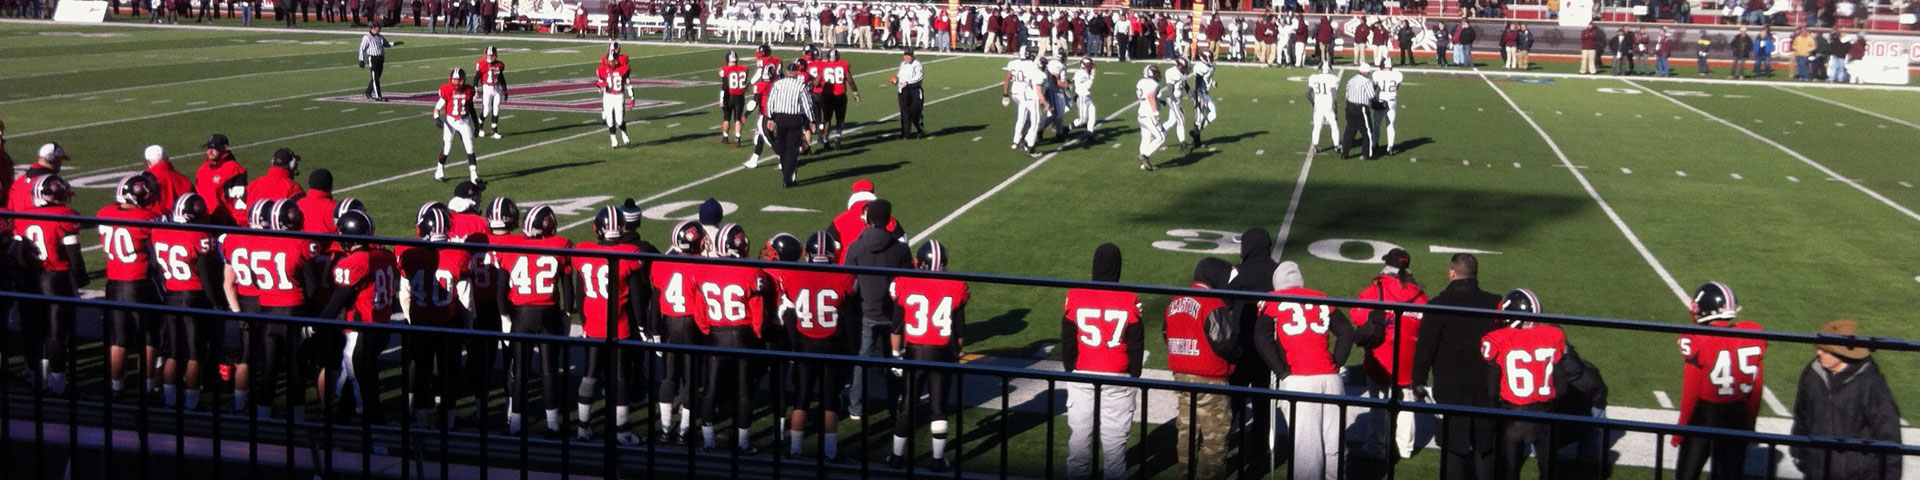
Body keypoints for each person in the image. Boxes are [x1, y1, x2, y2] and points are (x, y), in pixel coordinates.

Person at [1482, 288, 1604, 480]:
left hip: (1511, 414)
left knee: (1508, 473)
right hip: (1543, 415)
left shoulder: (1498, 339)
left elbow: (1490, 389)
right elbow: (1562, 386)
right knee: (1549, 472)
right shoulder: (1552, 335)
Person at [1254, 261, 1354, 480]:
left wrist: (1282, 371)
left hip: (1300, 378)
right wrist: (1334, 364)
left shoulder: (1273, 301)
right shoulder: (1322, 299)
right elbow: (1346, 332)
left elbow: (1261, 337)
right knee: (1333, 445)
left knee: (1307, 452)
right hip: (1330, 378)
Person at [1410, 253, 1503, 480]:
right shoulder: (1494, 302)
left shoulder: (1438, 305)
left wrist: (1418, 381)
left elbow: (1425, 349)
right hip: (1486, 385)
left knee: (1453, 449)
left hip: (1451, 387)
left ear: (1451, 272)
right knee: (1485, 446)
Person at [769, 231, 855, 461]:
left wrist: (795, 340)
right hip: (830, 345)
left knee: (801, 399)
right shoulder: (843, 276)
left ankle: (795, 449)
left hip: (804, 344)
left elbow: (788, 315)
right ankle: (829, 452)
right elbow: (849, 313)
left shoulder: (794, 275)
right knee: (829, 401)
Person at [1062, 243, 1143, 480]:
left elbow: (1067, 340)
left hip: (1083, 373)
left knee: (1079, 442)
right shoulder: (1130, 299)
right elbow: (1136, 343)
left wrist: (1072, 370)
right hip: (1118, 375)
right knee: (1114, 446)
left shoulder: (1075, 295)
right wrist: (1133, 375)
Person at [884, 240, 968, 471]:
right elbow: (960, 332)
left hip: (914, 351)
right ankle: (938, 460)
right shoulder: (956, 286)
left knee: (908, 406)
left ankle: (896, 456)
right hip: (941, 352)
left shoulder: (905, 282)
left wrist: (895, 355)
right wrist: (956, 353)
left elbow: (896, 327)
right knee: (939, 407)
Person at [1673, 282, 1767, 480]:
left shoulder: (1699, 338)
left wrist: (1679, 430)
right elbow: (1756, 389)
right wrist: (1749, 423)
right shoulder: (1752, 334)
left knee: (1686, 475)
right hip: (1737, 416)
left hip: (1704, 416)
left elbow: (1690, 392)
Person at [569, 206, 646, 443]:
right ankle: (621, 431)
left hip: (593, 324)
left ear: (597, 229)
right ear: (621, 228)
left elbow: (581, 295)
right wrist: (642, 326)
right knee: (621, 375)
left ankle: (583, 427)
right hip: (619, 325)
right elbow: (636, 297)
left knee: (590, 373)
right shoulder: (630, 253)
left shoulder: (583, 252)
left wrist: (584, 320)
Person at [494, 203, 573, 435]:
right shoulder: (561, 246)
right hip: (548, 315)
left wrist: (505, 316)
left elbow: (500, 291)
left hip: (520, 315)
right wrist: (567, 313)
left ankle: (515, 424)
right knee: (549, 370)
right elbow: (568, 288)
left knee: (520, 371)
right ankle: (553, 424)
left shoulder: (510, 246)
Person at [1790, 319, 1903, 480]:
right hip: (1816, 471)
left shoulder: (1871, 383)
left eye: (1826, 350)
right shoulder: (1812, 374)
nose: (1818, 353)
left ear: (1842, 352)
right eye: (1819, 348)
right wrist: (1798, 452)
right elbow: (1801, 415)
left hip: (1858, 475)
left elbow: (1889, 434)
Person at [691, 224, 769, 454]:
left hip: (716, 335)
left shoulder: (704, 271)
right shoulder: (752, 272)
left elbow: (699, 312)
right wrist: (755, 334)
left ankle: (708, 442)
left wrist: (708, 331)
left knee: (711, 389)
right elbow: (758, 313)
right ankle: (743, 444)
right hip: (743, 335)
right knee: (745, 391)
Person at [395, 202, 469, 428]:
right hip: (447, 322)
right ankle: (448, 423)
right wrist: (468, 328)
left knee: (421, 374)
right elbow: (466, 298)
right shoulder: (458, 255)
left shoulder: (408, 255)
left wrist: (412, 317)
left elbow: (404, 293)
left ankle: (419, 422)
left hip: (420, 323)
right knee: (448, 376)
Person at [1164, 257, 1237, 480]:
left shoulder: (1175, 301)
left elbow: (1166, 334)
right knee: (1215, 439)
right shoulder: (1213, 303)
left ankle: (1185, 474)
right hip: (1211, 378)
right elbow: (1225, 342)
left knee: (1186, 433)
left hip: (1182, 376)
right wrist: (1238, 357)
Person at [1349, 248, 1426, 459]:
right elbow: (1425, 326)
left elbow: (1357, 315)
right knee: (1407, 402)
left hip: (1381, 357)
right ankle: (1405, 447)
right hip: (1409, 359)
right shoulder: (1419, 295)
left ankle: (1377, 446)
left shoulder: (1376, 290)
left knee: (1379, 405)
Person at [247, 201, 318, 419]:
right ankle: (297, 418)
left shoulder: (258, 243)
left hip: (267, 311)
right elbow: (312, 286)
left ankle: (262, 417)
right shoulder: (301, 244)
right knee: (296, 369)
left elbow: (254, 280)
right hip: (293, 312)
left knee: (269, 368)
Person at [15, 175, 85, 395]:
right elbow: (74, 257)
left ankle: (37, 378)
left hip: (31, 279)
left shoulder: (23, 217)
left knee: (35, 331)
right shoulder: (65, 216)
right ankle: (57, 386)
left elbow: (18, 255)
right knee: (56, 335)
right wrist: (81, 278)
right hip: (56, 279)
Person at [153, 193, 223, 410]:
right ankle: (191, 404)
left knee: (172, 353)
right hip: (194, 297)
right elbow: (206, 276)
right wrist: (217, 304)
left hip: (171, 295)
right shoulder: (200, 237)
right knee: (195, 354)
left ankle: (169, 400)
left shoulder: (161, 233)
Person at [98, 174, 163, 400]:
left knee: (118, 339)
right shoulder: (148, 218)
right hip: (139, 283)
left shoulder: (104, 213)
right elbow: (157, 252)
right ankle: (148, 386)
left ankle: (116, 387)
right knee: (149, 337)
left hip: (114, 282)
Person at [844, 199, 910, 421]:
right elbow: (907, 280)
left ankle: (856, 406)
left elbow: (847, 280)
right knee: (894, 358)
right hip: (892, 312)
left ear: (868, 218)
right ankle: (895, 406)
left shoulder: (856, 246)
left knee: (862, 359)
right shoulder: (899, 249)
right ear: (888, 219)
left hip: (866, 310)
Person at [649, 221, 706, 444]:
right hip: (691, 324)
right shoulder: (701, 264)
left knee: (669, 376)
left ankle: (665, 428)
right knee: (691, 378)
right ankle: (684, 430)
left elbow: (655, 301)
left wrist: (654, 331)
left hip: (669, 324)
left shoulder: (661, 262)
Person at [766, 60, 815, 188]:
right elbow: (807, 105)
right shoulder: (800, 86)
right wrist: (812, 120)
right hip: (794, 118)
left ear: (787, 72)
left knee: (783, 147)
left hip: (780, 118)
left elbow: (770, 102)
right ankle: (788, 178)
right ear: (796, 73)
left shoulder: (778, 84)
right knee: (792, 149)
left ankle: (786, 174)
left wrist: (771, 117)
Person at [433, 69, 481, 184]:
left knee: (470, 147)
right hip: (450, 121)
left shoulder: (469, 90)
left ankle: (474, 175)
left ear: (463, 80)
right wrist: (437, 118)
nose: (456, 83)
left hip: (464, 121)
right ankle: (439, 170)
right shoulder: (447, 90)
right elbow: (437, 107)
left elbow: (472, 109)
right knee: (447, 148)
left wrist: (476, 125)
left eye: (458, 80)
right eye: (454, 80)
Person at [1003, 48, 1045, 157]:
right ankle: (1026, 141)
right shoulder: (1031, 65)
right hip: (1025, 94)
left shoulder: (1013, 63)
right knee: (1032, 119)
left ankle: (1016, 141)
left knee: (1021, 118)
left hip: (1014, 92)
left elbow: (1007, 79)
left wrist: (1005, 94)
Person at [818, 48, 859, 148]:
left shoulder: (823, 66)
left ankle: (825, 139)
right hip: (840, 95)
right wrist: (855, 93)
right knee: (840, 119)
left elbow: (817, 81)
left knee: (827, 119)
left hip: (827, 95)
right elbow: (850, 81)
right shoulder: (843, 65)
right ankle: (837, 137)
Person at [597, 47, 635, 148]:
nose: (610, 63)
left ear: (616, 61)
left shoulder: (623, 69)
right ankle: (613, 139)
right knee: (609, 120)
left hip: (619, 96)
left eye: (612, 61)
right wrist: (600, 87)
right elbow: (600, 82)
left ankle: (625, 135)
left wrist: (632, 97)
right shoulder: (603, 70)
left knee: (619, 120)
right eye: (609, 61)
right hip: (608, 96)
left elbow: (628, 84)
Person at [142, 145, 194, 217]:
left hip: (158, 223)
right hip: (182, 222)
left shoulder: (148, 181)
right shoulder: (183, 179)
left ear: (149, 162)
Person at [1340, 65, 1379, 160]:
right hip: (1360, 108)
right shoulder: (1366, 82)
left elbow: (1347, 94)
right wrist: (1379, 105)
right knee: (1368, 132)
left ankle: (1344, 153)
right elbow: (1372, 97)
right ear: (1365, 72)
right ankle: (1367, 154)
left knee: (1350, 130)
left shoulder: (1351, 80)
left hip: (1349, 106)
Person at [1134, 65, 1164, 172]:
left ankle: (1144, 165)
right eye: (1155, 73)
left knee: (1146, 138)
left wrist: (1159, 101)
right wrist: (1156, 112)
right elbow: (1151, 96)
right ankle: (1144, 156)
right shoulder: (1153, 84)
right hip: (1149, 114)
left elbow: (1146, 96)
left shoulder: (1141, 82)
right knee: (1161, 137)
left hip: (1141, 113)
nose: (1157, 75)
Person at [358, 25, 399, 101]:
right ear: (373, 28)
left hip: (380, 58)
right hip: (373, 58)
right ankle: (378, 96)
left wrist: (395, 43)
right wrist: (361, 60)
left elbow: (386, 44)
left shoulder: (380, 37)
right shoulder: (367, 37)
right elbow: (362, 49)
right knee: (375, 78)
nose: (379, 30)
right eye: (378, 28)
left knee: (376, 77)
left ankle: (368, 91)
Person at [1305, 63, 1339, 155]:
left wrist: (1313, 103)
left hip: (1318, 105)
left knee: (1317, 127)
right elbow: (1334, 97)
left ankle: (1315, 147)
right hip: (1328, 105)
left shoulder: (1314, 78)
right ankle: (1336, 146)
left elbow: (1307, 93)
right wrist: (1335, 110)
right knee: (1334, 125)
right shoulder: (1332, 78)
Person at [1372, 60, 1404, 155]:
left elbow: (1374, 86)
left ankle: (1375, 143)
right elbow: (1397, 87)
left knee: (1377, 124)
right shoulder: (1398, 75)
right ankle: (1390, 147)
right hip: (1392, 101)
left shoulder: (1377, 74)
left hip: (1380, 102)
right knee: (1390, 126)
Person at [719, 51, 750, 147]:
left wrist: (721, 100)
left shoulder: (725, 70)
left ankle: (725, 137)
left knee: (726, 118)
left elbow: (724, 86)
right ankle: (737, 138)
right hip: (740, 97)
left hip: (729, 96)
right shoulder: (744, 68)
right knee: (737, 118)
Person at [1161, 55, 1192, 154]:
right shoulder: (1172, 73)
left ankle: (1157, 132)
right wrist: (1176, 104)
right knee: (1181, 121)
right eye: (1185, 67)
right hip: (1173, 99)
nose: (1186, 70)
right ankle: (1183, 144)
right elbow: (1170, 91)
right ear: (1180, 66)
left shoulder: (1181, 72)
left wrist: (1191, 95)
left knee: (1171, 121)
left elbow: (1185, 84)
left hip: (1178, 99)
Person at [476, 46, 507, 139]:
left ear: (495, 55)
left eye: (492, 55)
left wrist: (505, 90)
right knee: (486, 111)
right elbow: (476, 78)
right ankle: (479, 126)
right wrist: (475, 89)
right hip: (487, 88)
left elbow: (501, 78)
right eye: (488, 55)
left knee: (496, 108)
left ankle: (494, 131)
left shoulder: (499, 65)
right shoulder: (482, 64)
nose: (489, 57)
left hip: (496, 88)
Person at [1069, 57, 1098, 138]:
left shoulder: (1083, 73)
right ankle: (1067, 129)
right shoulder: (1081, 73)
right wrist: (1092, 76)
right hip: (1082, 97)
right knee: (1082, 120)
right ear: (1083, 65)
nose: (1091, 66)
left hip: (1087, 97)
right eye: (1089, 65)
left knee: (1092, 115)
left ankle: (1090, 134)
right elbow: (1087, 86)